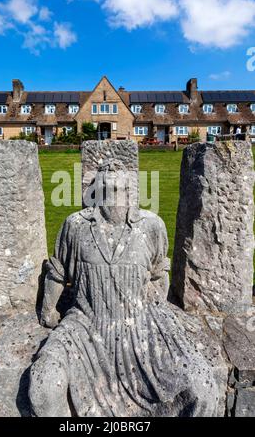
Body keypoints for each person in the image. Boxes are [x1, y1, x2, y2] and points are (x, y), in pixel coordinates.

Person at [29, 160, 219, 417]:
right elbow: (58, 273)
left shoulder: (151, 226)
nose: (113, 181)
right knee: (44, 387)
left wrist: (156, 310)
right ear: (95, 188)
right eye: (106, 180)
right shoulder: (75, 226)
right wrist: (48, 311)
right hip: (85, 327)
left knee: (202, 387)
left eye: (119, 181)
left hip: (142, 325)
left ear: (131, 188)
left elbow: (157, 274)